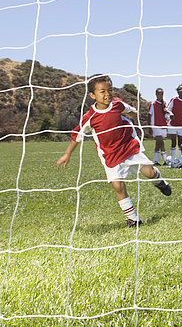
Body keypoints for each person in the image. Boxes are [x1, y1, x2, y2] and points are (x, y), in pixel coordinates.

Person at [56, 75, 171, 227]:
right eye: (102, 91)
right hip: (109, 154)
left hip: (128, 146)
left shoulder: (117, 104)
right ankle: (133, 219)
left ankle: (159, 181)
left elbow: (129, 110)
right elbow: (77, 135)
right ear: (92, 95)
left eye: (110, 90)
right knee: (118, 186)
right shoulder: (90, 117)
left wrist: (133, 113)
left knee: (149, 172)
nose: (107, 94)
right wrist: (67, 154)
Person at [167, 84, 182, 161]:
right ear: (177, 91)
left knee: (181, 143)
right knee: (173, 142)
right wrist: (170, 114)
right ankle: (173, 161)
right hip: (173, 124)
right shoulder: (174, 100)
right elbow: (167, 109)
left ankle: (180, 161)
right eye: (180, 89)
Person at [149, 88, 170, 165]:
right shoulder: (152, 104)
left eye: (161, 94)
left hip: (163, 125)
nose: (160, 95)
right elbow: (149, 115)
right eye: (159, 94)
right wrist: (150, 127)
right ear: (156, 94)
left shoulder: (163, 104)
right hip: (156, 125)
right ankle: (165, 161)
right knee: (161, 142)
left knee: (158, 144)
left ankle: (156, 161)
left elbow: (166, 115)